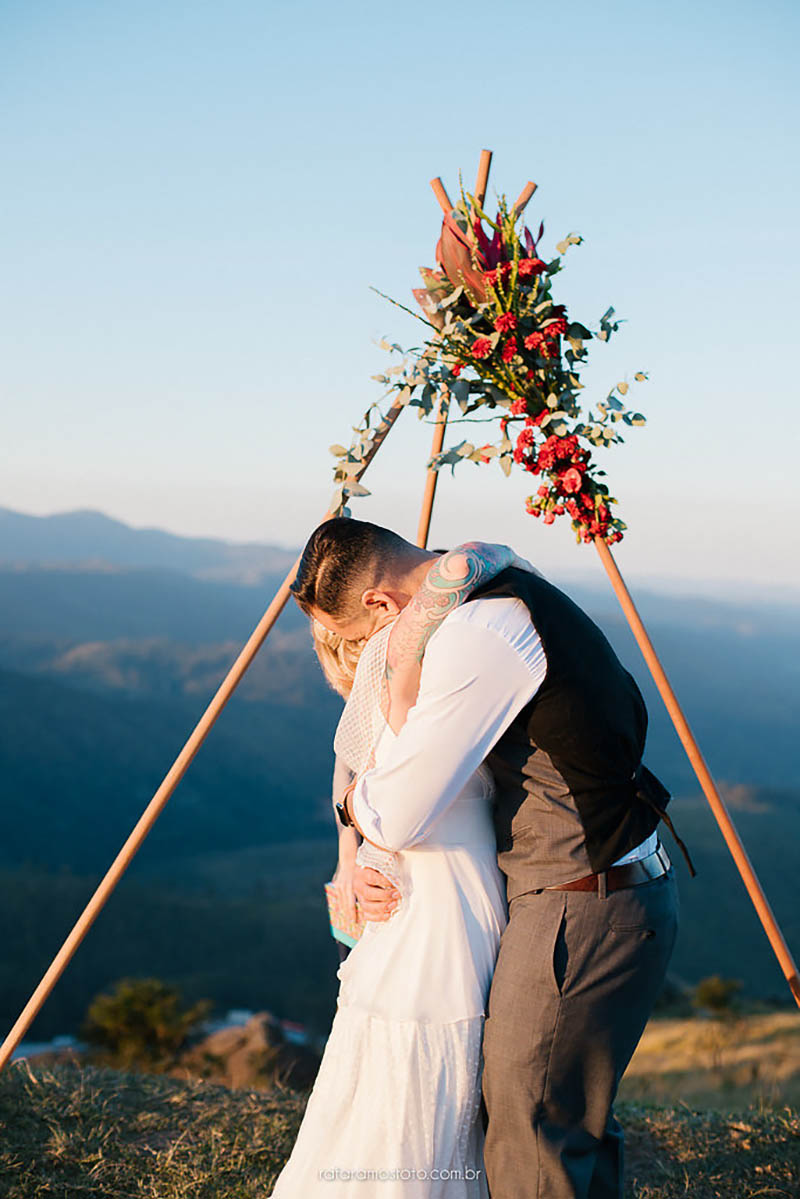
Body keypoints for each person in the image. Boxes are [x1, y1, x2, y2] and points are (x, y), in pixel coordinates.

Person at [291, 517, 680, 1199]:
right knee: (565, 1118)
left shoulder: (480, 633)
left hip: (580, 904)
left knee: (533, 1130)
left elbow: (403, 809)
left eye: (360, 637)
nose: (368, 656)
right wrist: (350, 849)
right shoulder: (490, 583)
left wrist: (352, 809)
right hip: (583, 890)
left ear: (381, 605)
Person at [269, 541, 525, 1197]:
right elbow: (369, 782)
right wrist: (350, 848)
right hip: (437, 908)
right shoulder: (399, 672)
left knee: (415, 1072)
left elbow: (479, 556)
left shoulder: (425, 654)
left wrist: (348, 846)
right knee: (417, 1069)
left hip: (439, 900)